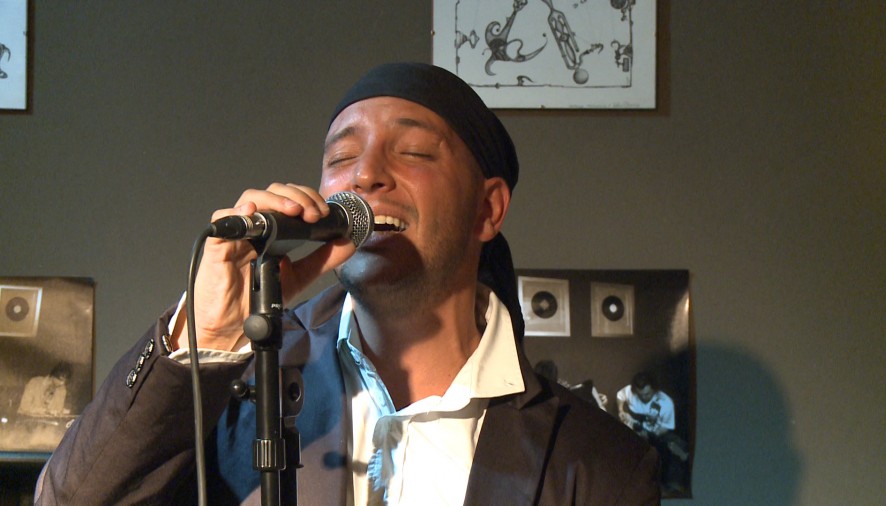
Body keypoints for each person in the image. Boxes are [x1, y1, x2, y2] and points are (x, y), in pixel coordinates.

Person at [35, 63, 659, 505]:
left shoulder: (598, 461)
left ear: (488, 209)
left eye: (413, 152)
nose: (365, 174)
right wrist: (207, 335)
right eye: (341, 157)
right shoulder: (240, 385)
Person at [616, 372, 689, 493]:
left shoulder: (666, 402)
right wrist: (620, 411)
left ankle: (668, 483)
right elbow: (620, 395)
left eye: (647, 394)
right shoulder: (630, 391)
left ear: (655, 390)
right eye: (640, 395)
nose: (644, 398)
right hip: (633, 431)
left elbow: (666, 427)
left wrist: (651, 436)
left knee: (673, 448)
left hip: (656, 434)